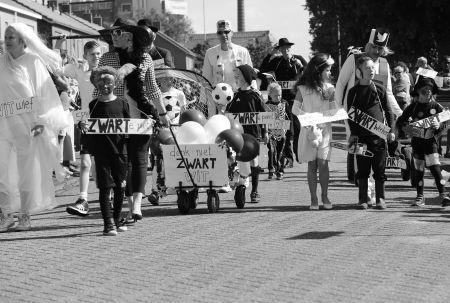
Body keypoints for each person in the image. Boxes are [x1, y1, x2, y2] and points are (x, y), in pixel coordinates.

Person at [97, 22, 169, 222]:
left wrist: (162, 114)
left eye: (118, 32)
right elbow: (98, 88)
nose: (113, 36)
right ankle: (129, 206)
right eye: (111, 33)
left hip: (140, 114)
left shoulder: (145, 58)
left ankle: (136, 206)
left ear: (130, 37)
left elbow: (153, 88)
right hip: (115, 116)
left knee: (139, 160)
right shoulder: (107, 58)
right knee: (123, 162)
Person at [0, 23, 68, 232]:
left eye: (11, 36)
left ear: (22, 40)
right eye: (5, 36)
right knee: (1, 171)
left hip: (28, 127)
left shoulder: (33, 61)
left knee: (25, 172)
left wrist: (40, 121)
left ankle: (24, 215)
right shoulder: (1, 63)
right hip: (4, 124)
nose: (7, 40)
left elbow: (44, 94)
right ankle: (5, 214)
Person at [56, 40, 102, 216]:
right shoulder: (80, 71)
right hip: (85, 121)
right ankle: (83, 199)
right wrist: (63, 52)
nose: (96, 57)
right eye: (92, 54)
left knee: (100, 164)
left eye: (98, 54)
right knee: (85, 162)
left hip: (104, 120)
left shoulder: (106, 72)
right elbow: (58, 69)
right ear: (85, 56)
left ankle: (109, 193)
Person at [84, 66, 130, 235]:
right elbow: (88, 127)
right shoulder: (93, 105)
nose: (105, 85)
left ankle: (117, 218)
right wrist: (83, 126)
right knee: (105, 188)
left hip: (120, 152)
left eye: (109, 81)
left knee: (120, 187)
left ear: (115, 83)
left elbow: (129, 128)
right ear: (95, 84)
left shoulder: (123, 103)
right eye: (101, 82)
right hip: (101, 152)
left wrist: (147, 125)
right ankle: (108, 223)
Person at [347, 56, 396, 210]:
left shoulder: (379, 89)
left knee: (380, 168)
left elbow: (389, 112)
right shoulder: (353, 92)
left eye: (372, 68)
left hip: (379, 137)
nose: (371, 71)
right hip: (361, 138)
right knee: (362, 170)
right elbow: (350, 115)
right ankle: (363, 199)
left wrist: (391, 131)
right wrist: (353, 133)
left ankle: (380, 199)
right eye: (368, 68)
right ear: (359, 72)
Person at [396, 76, 450, 207]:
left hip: (431, 144)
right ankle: (420, 197)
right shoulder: (413, 107)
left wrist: (439, 127)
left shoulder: (436, 106)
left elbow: (446, 122)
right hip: (417, 144)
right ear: (419, 91)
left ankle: (443, 195)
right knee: (418, 171)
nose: (428, 91)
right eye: (425, 89)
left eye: (430, 89)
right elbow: (400, 121)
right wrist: (406, 128)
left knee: (436, 170)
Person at [292, 53, 336, 210]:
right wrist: (310, 119)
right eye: (328, 70)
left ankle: (325, 195)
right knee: (312, 164)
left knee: (323, 163)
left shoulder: (330, 89)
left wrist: (325, 119)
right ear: (319, 71)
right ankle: (313, 198)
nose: (330, 73)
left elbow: (334, 110)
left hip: (325, 131)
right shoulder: (303, 89)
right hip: (309, 131)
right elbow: (295, 108)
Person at [260, 38, 306, 166]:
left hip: (296, 99)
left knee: (297, 128)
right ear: (279, 49)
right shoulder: (276, 61)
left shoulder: (298, 59)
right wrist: (270, 54)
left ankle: (298, 154)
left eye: (288, 47)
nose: (286, 50)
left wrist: (300, 66)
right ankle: (287, 156)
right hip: (280, 101)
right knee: (285, 128)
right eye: (283, 48)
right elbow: (262, 71)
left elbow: (308, 72)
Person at [226, 64, 267, 203]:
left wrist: (265, 132)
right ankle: (241, 184)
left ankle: (255, 191)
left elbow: (264, 115)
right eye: (235, 73)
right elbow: (228, 114)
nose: (236, 76)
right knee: (239, 160)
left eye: (239, 73)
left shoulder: (255, 95)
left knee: (254, 162)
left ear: (247, 77)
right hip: (238, 136)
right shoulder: (235, 95)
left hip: (253, 134)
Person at [202, 20, 253, 91]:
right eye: (220, 32)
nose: (223, 35)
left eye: (226, 32)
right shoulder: (210, 53)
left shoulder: (243, 52)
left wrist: (254, 94)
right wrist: (205, 100)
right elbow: (206, 79)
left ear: (231, 33)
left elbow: (250, 77)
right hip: (219, 97)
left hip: (240, 95)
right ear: (217, 35)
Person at [265, 82, 289, 180]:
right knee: (271, 150)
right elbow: (264, 120)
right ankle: (271, 169)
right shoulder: (266, 106)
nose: (278, 97)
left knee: (280, 151)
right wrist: (265, 132)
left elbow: (288, 118)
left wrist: (287, 130)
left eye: (280, 95)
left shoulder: (284, 104)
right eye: (275, 95)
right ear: (270, 95)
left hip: (282, 132)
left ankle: (280, 170)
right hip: (270, 132)